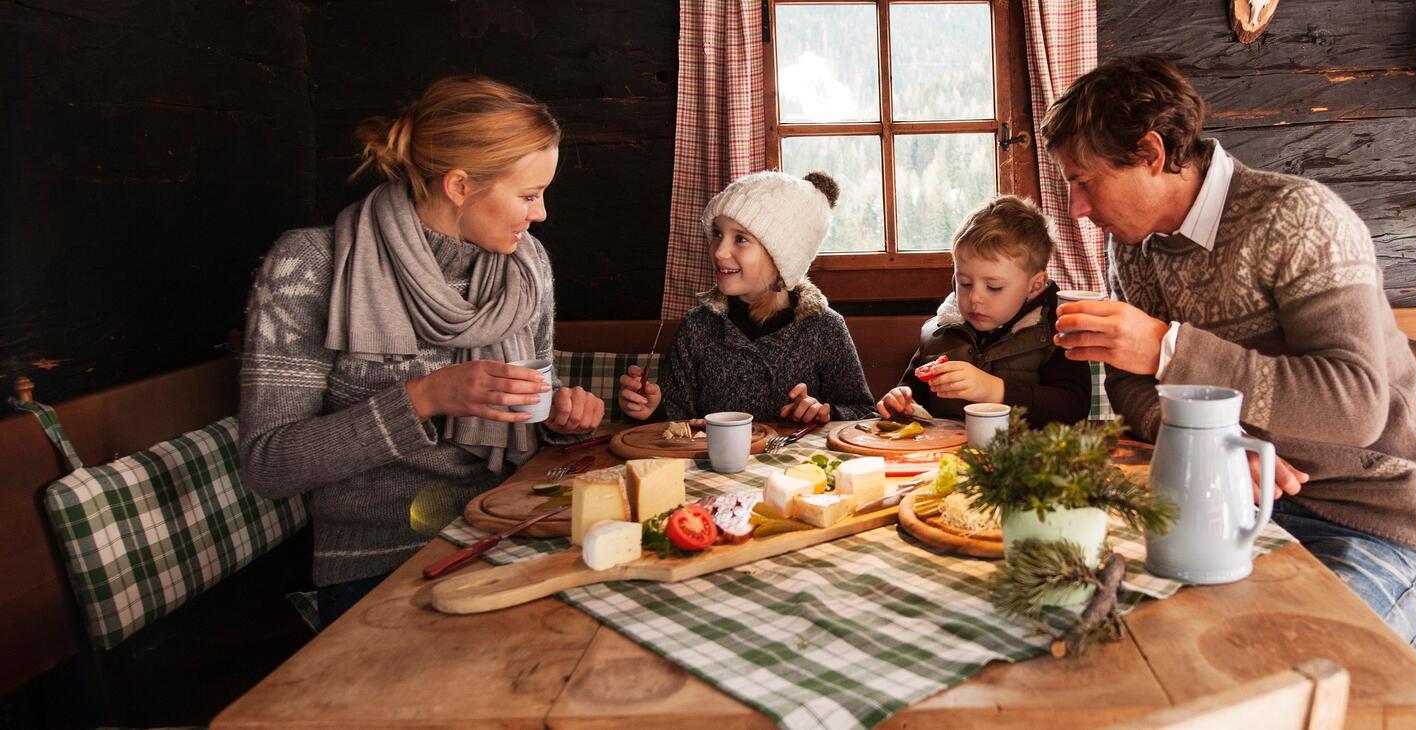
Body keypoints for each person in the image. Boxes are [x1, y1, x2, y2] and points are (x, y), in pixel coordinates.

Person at [1043, 55, 1416, 642]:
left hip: (1379, 520)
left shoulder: (1298, 217)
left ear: (1151, 155)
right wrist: (1215, 446)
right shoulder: (1133, 249)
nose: (1077, 210)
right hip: (1234, 509)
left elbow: (1356, 406)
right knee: (1126, 643)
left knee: (1297, 676)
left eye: (1082, 182)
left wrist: (1170, 348)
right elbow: (1129, 386)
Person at [239, 76, 605, 628]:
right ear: (459, 185)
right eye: (529, 195)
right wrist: (423, 398)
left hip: (511, 530)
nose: (542, 214)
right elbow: (269, 464)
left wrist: (556, 418)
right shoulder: (312, 265)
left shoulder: (527, 269)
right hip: (378, 562)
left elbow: (522, 412)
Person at [618, 171, 875, 425]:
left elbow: (863, 413)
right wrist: (652, 409)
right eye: (717, 234)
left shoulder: (825, 328)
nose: (719, 251)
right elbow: (677, 419)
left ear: (781, 257)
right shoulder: (696, 327)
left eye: (740, 239)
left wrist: (825, 414)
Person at [876, 195, 1090, 426]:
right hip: (944, 457)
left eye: (993, 287)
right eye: (965, 283)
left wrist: (995, 391)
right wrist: (899, 403)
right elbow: (912, 398)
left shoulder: (1057, 334)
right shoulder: (937, 334)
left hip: (1025, 458)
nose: (975, 297)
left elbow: (1073, 408)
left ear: (1035, 285)